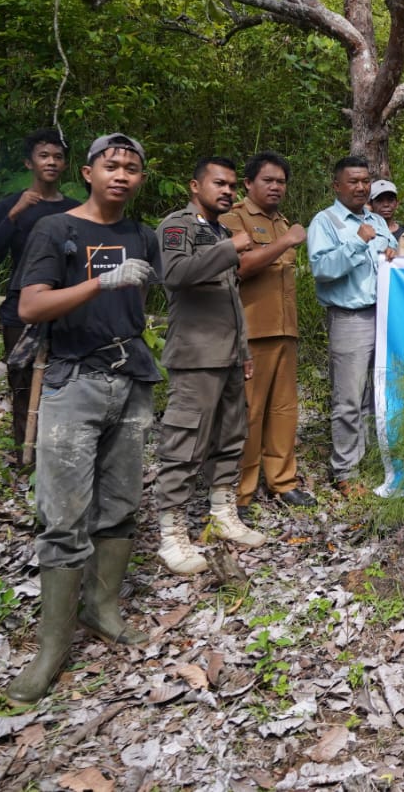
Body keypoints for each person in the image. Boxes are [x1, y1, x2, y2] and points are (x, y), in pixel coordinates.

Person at [4, 133, 158, 703]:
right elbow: (29, 305)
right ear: (88, 173)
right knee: (63, 514)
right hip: (73, 382)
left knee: (120, 505)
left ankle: (104, 609)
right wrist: (100, 281)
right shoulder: (57, 229)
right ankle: (51, 648)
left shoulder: (139, 235)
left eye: (132, 168)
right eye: (110, 165)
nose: (121, 174)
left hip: (131, 378)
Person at [152, 157, 263, 575]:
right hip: (196, 355)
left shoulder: (218, 230)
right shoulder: (178, 226)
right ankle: (172, 533)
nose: (228, 191)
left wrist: (245, 351)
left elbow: (231, 299)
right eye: (219, 183)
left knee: (231, 436)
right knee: (185, 443)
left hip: (230, 355)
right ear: (194, 185)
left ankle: (222, 511)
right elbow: (175, 273)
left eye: (233, 185)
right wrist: (228, 249)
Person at [223, 152, 315, 517]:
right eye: (268, 180)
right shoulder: (235, 218)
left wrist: (285, 236)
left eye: (281, 181)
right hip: (250, 332)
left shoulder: (283, 222)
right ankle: (240, 493)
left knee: (283, 411)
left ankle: (282, 481)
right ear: (248, 183)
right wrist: (287, 242)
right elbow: (240, 267)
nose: (276, 187)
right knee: (249, 412)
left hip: (284, 330)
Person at [0, 128, 80, 458]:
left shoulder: (76, 209)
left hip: (66, 307)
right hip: (20, 306)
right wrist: (14, 214)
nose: (51, 162)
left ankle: (57, 453)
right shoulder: (10, 205)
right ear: (30, 163)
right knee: (21, 379)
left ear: (65, 164)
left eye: (57, 157)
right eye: (44, 156)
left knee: (67, 380)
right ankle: (24, 454)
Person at [310, 156, 396, 493]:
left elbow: (392, 255)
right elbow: (322, 269)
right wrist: (358, 241)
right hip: (350, 318)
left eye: (365, 181)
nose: (361, 187)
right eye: (353, 181)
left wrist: (394, 253)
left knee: (375, 396)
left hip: (384, 315)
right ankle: (344, 471)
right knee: (348, 398)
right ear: (337, 186)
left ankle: (369, 462)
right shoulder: (325, 221)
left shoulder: (378, 219)